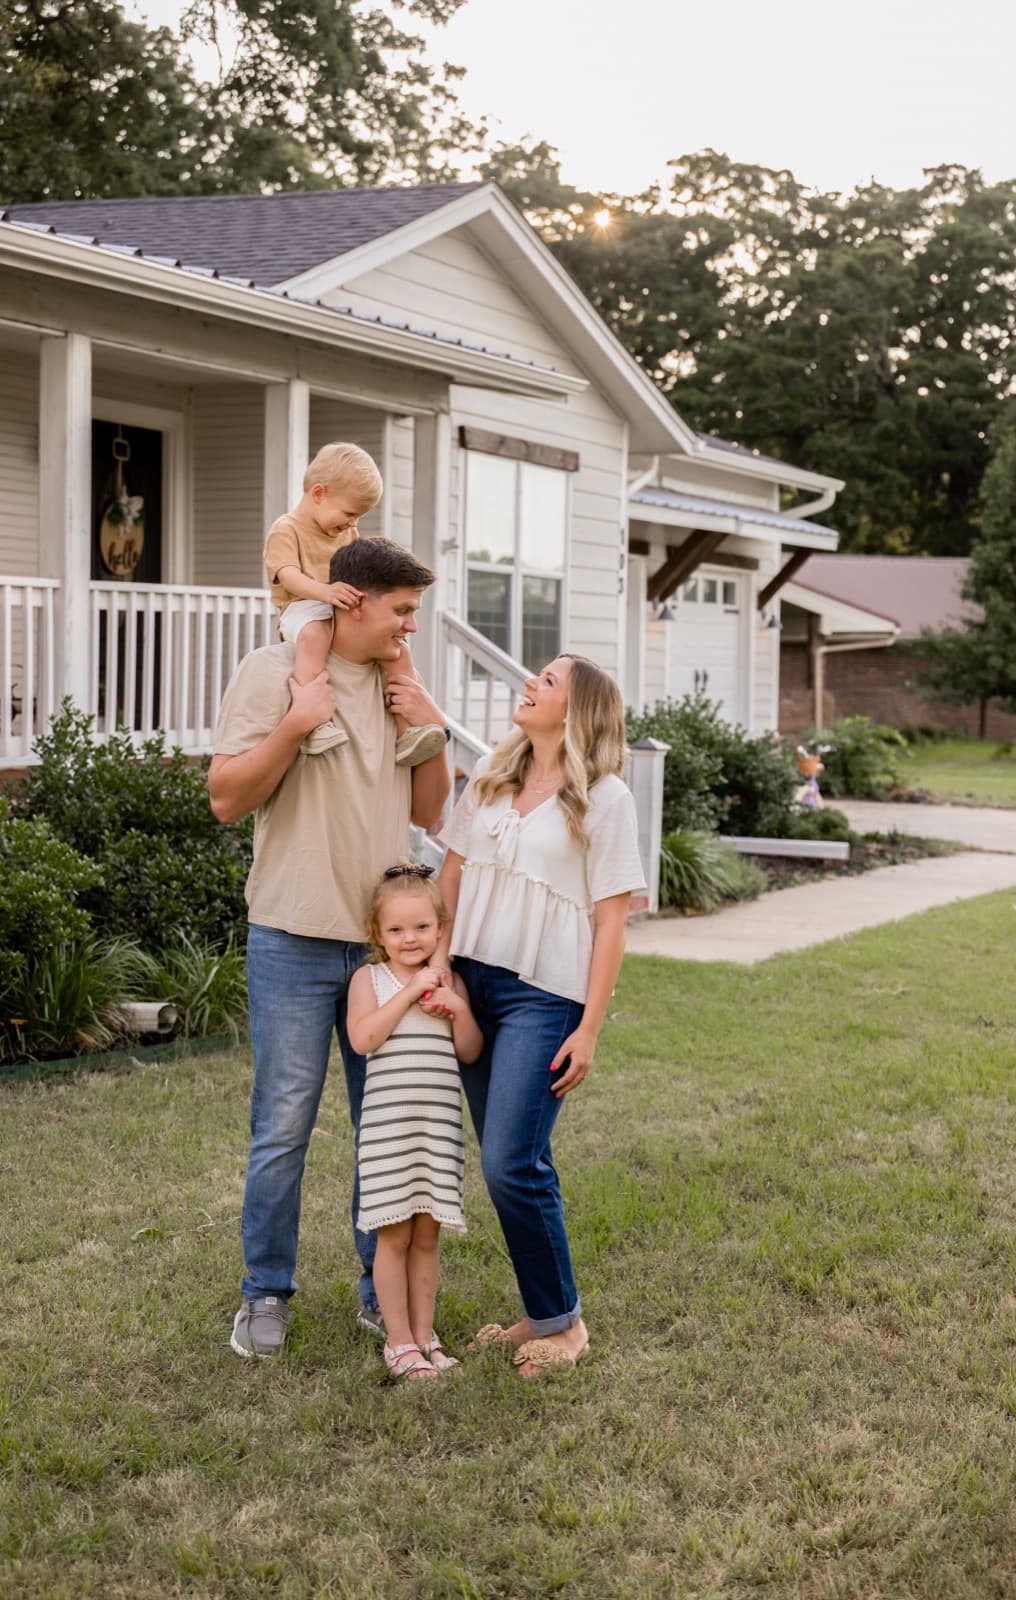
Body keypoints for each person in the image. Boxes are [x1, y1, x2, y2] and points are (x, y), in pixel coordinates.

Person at [208, 537, 452, 1360]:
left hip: (387, 956)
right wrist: (296, 725)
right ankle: (264, 1292)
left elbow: (430, 810)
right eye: (402, 612)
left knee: (383, 1126)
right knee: (282, 1126)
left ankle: (375, 1291)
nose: (409, 630)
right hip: (291, 939)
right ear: (352, 601)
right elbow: (225, 798)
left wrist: (433, 731)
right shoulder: (274, 673)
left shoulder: (397, 683)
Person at [434, 654, 646, 1377]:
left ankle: (565, 1325)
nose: (530, 684)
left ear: (577, 710)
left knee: (510, 1160)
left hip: (542, 995)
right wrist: (438, 965)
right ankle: (540, 1314)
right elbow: (451, 876)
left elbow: (611, 921)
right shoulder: (492, 775)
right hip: (470, 980)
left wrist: (588, 1027)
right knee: (510, 1160)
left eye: (548, 681)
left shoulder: (606, 799)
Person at [346, 863, 483, 1382]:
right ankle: (398, 1343)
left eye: (422, 928)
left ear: (441, 928)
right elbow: (363, 1039)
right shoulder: (370, 979)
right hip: (389, 1132)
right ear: (377, 933)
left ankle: (426, 1335)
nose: (410, 939)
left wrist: (457, 1010)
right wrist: (409, 992)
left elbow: (469, 1052)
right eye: (397, 929)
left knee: (428, 1237)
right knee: (394, 1237)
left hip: (437, 1129)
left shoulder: (451, 983)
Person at [264, 440, 446, 767]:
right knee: (316, 635)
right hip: (302, 608)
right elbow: (288, 577)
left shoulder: (347, 532)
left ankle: (408, 733)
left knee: (398, 650)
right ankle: (314, 720)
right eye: (349, 513)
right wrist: (326, 592)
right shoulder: (286, 529)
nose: (351, 523)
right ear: (318, 493)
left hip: (338, 603)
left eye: (358, 517)